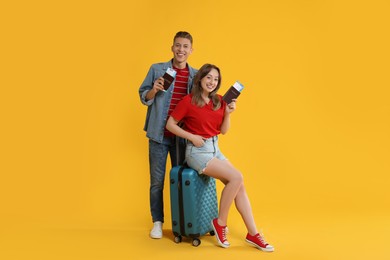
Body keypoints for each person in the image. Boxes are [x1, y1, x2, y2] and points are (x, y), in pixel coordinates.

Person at [166, 63, 274, 252]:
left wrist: (229, 113)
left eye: (216, 79)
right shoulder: (188, 101)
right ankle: (220, 223)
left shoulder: (220, 101)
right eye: (209, 77)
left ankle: (253, 234)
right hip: (197, 151)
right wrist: (191, 136)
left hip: (214, 148)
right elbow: (170, 124)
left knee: (239, 185)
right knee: (237, 177)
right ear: (200, 79)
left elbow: (223, 131)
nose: (212, 82)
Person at [138, 31, 198, 239]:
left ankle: (181, 222)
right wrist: (154, 90)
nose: (181, 50)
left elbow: (201, 104)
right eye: (178, 45)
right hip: (158, 135)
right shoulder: (157, 70)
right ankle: (157, 222)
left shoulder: (196, 75)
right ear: (172, 47)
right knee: (157, 181)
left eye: (185, 46)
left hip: (182, 138)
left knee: (181, 180)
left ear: (191, 50)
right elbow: (143, 97)